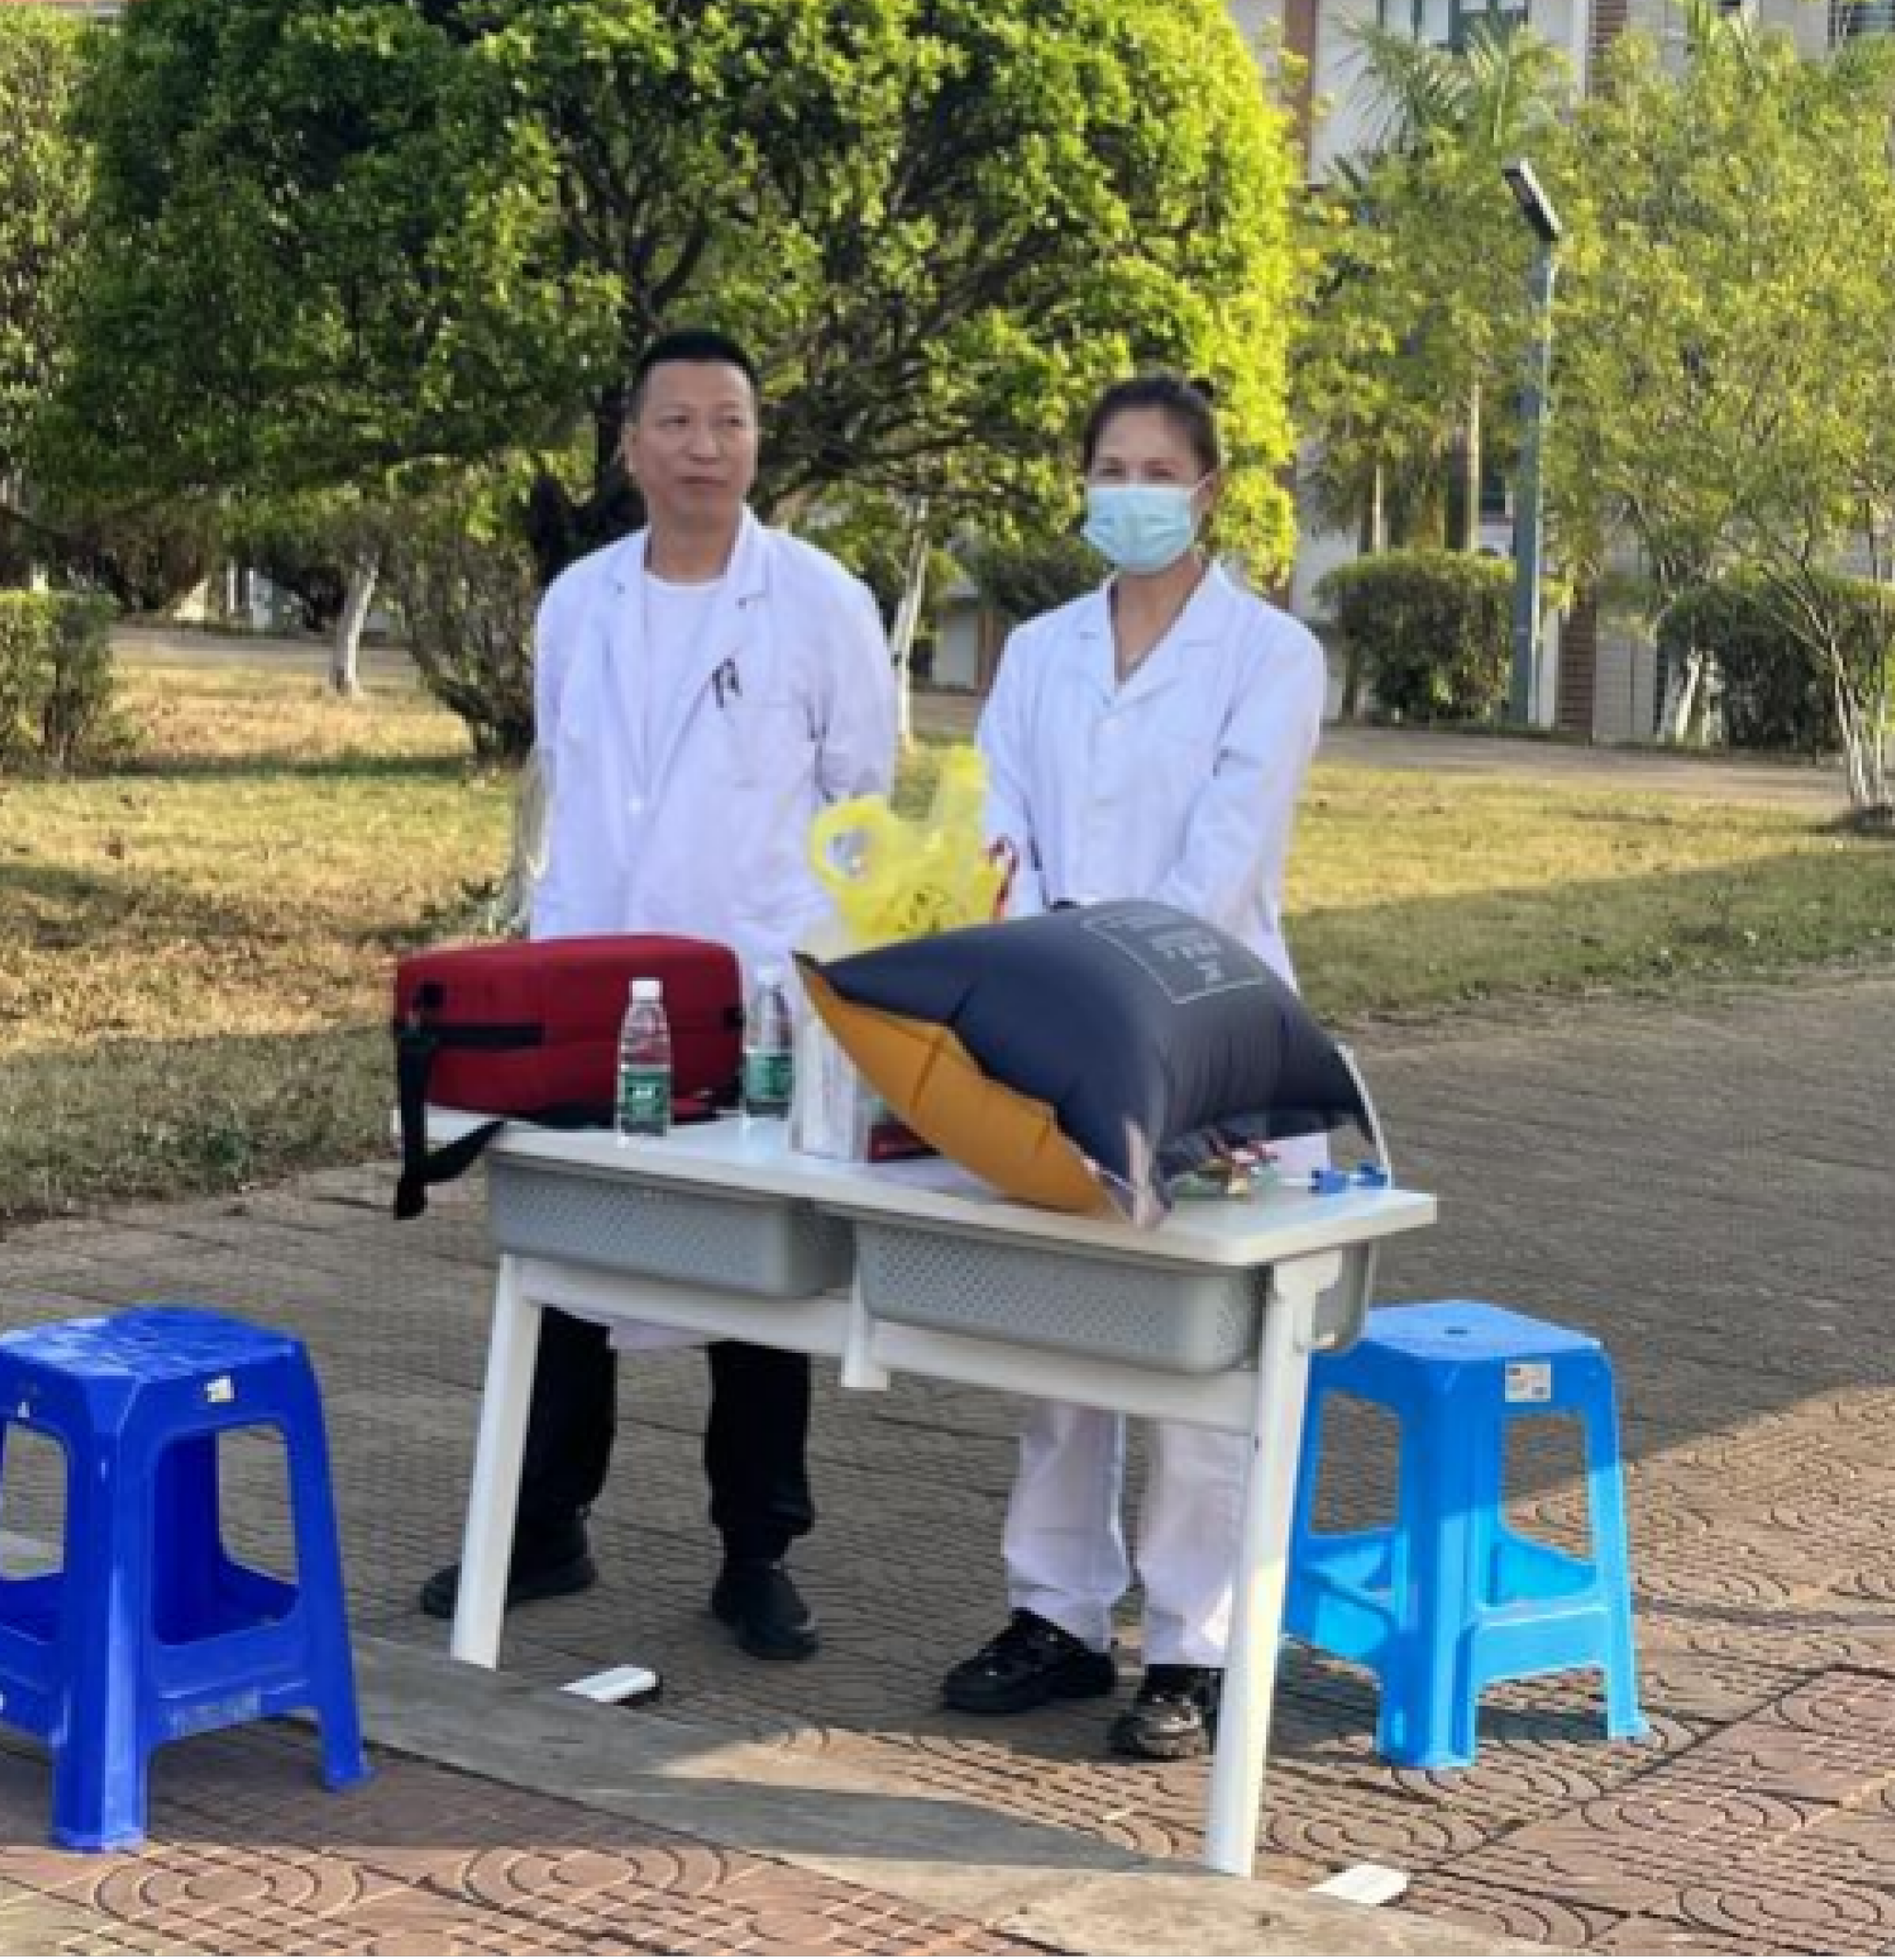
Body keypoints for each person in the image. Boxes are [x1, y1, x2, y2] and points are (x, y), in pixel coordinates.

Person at [419, 328, 898, 1659]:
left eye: (728, 422)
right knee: (568, 1245)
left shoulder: (820, 602)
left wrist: (822, 975)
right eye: (676, 422)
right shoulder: (579, 602)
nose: (704, 448)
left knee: (759, 1276)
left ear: (758, 442)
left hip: (749, 986)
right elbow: (564, 781)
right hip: (588, 976)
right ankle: (540, 1527)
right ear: (630, 446)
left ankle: (757, 1551)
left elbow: (861, 802)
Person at [939, 372, 1326, 1761]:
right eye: (1112, 467)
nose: (1134, 492)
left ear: (1207, 493)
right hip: (1057, 1026)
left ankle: (1191, 1648)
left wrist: (1105, 976)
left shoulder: (1269, 655)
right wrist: (1041, 955)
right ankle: (1053, 1612)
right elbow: (995, 818)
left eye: (1161, 472)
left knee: (1201, 1363)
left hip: (1210, 1034)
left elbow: (1221, 858)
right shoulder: (1040, 650)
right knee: (1061, 1344)